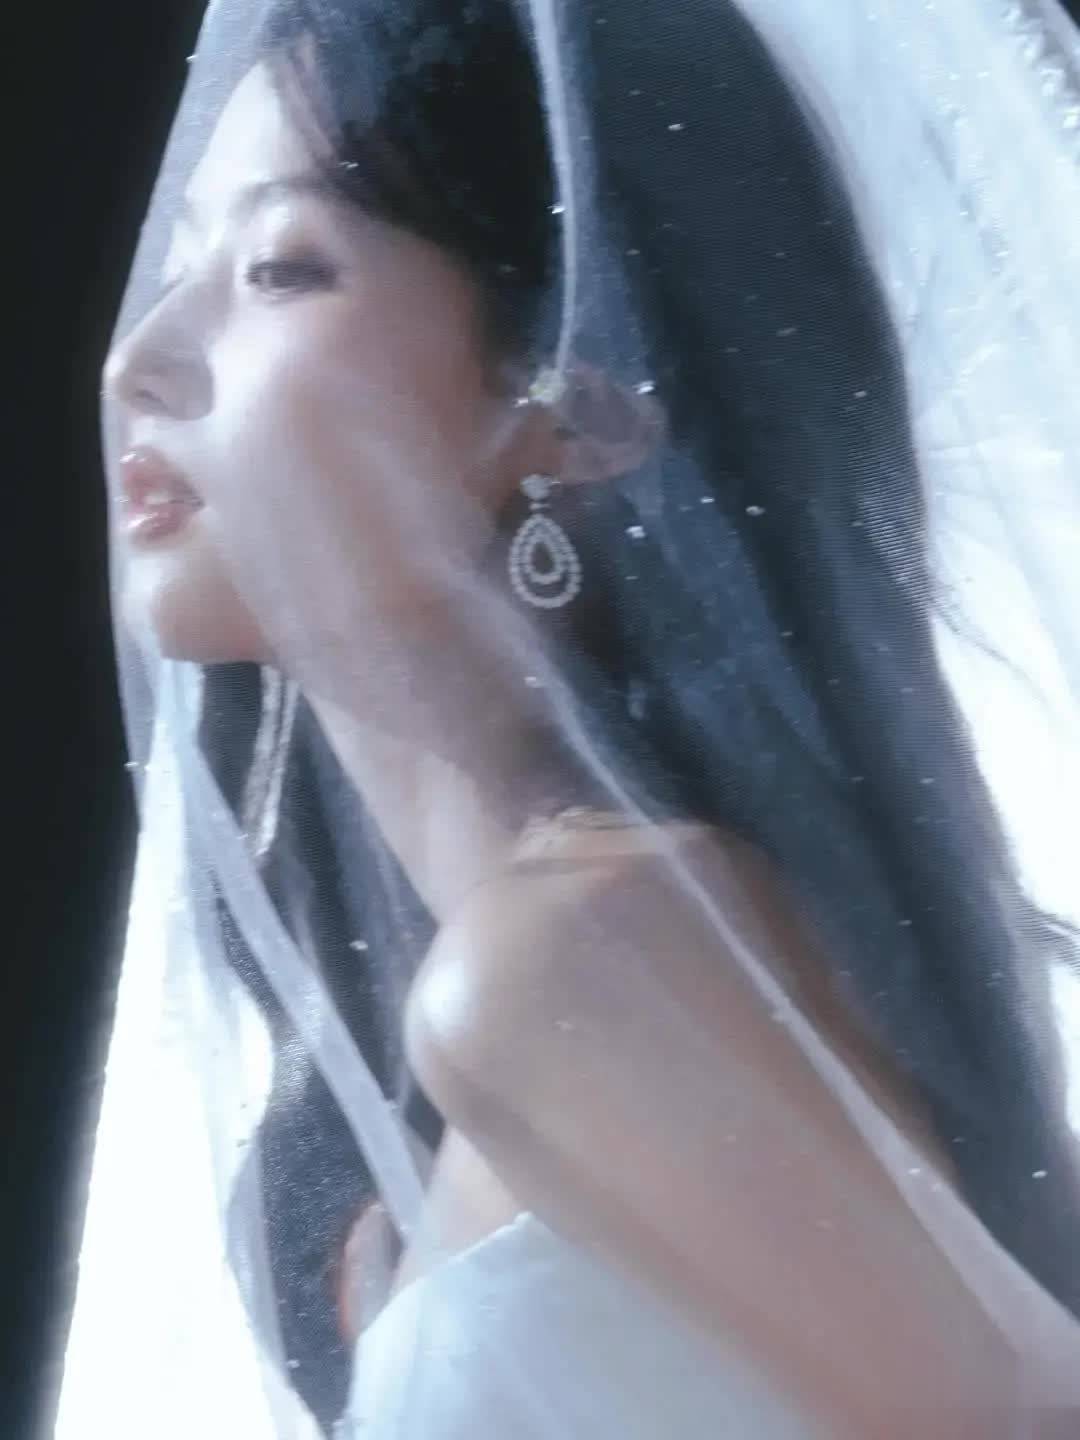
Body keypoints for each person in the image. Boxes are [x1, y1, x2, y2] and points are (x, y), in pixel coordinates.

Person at [63, 0, 1080, 1435]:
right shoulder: (423, 1095)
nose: (141, 361)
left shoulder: (575, 961)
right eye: (176, 269)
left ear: (579, 413)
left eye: (281, 267)